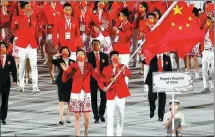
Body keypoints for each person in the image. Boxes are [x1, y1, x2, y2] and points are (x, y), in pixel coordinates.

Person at [61, 49, 109, 136]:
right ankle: (77, 135)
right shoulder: (73, 66)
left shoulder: (89, 66)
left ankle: (86, 132)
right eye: (78, 54)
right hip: (76, 94)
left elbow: (97, 77)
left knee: (87, 117)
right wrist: (65, 71)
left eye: (82, 54)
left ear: (85, 56)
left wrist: (107, 80)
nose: (80, 55)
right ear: (76, 56)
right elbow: (64, 80)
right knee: (77, 116)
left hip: (86, 94)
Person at [100, 51, 131, 136]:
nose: (115, 57)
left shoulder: (123, 67)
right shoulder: (106, 69)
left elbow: (129, 74)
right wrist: (104, 87)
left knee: (121, 116)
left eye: (117, 56)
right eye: (113, 56)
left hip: (121, 95)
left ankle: (119, 134)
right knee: (110, 116)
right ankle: (109, 134)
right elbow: (100, 80)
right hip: (110, 95)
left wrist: (124, 71)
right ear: (110, 58)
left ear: (118, 57)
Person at [11, 1, 40, 93]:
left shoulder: (34, 18)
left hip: (32, 45)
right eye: (27, 7)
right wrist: (19, 36)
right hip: (22, 45)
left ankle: (35, 86)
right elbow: (13, 30)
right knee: (22, 64)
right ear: (23, 9)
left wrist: (37, 43)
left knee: (34, 65)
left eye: (30, 6)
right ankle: (21, 84)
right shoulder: (18, 18)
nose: (29, 8)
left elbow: (36, 31)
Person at [145, 53, 172, 121]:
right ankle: (152, 108)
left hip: (162, 80)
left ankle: (161, 114)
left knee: (162, 98)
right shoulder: (151, 57)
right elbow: (144, 61)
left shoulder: (167, 58)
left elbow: (169, 70)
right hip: (152, 79)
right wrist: (144, 57)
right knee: (152, 97)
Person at [87, 39, 109, 123]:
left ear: (100, 46)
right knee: (94, 98)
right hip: (93, 79)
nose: (96, 46)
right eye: (94, 44)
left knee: (104, 97)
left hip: (102, 80)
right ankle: (96, 116)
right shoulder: (88, 56)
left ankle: (101, 114)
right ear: (92, 46)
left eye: (97, 44)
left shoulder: (105, 56)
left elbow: (107, 68)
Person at [52, 47, 74, 125]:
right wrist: (55, 56)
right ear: (61, 53)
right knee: (61, 101)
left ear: (69, 52)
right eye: (63, 51)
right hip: (61, 82)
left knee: (69, 101)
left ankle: (68, 117)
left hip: (70, 82)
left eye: (67, 51)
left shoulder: (72, 61)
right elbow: (53, 61)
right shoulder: (59, 61)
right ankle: (61, 118)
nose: (65, 52)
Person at [112, 7, 133, 85]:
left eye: (121, 15)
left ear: (125, 17)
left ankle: (125, 85)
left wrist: (117, 31)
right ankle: (118, 84)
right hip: (116, 50)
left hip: (124, 51)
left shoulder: (129, 26)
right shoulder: (119, 24)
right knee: (116, 68)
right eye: (119, 15)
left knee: (123, 68)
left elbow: (126, 37)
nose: (119, 17)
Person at [0, 41, 17, 125]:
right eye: (0, 47)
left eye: (3, 47)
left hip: (6, 83)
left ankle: (3, 117)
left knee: (5, 100)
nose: (1, 48)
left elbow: (14, 70)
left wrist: (15, 80)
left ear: (5, 48)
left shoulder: (10, 58)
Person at [201, 15, 214, 93]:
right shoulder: (204, 30)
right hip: (205, 52)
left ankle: (213, 85)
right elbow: (201, 36)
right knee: (204, 70)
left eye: (209, 21)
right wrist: (206, 27)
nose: (208, 23)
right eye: (207, 21)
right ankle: (206, 87)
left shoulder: (213, 31)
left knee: (213, 70)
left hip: (212, 51)